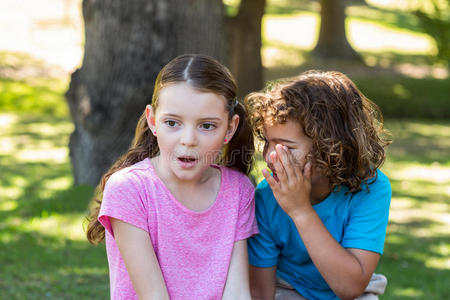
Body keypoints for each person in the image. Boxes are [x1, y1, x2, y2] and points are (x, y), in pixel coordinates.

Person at [86, 54, 259, 300]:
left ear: (229, 128)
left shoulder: (238, 189)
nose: (188, 139)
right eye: (172, 123)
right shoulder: (130, 188)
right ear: (153, 120)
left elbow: (238, 293)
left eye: (207, 126)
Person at [244, 70, 392, 300]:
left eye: (286, 147)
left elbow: (350, 287)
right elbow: (261, 292)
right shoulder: (266, 196)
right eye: (268, 142)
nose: (271, 155)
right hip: (288, 288)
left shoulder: (371, 188)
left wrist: (300, 210)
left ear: (332, 148)